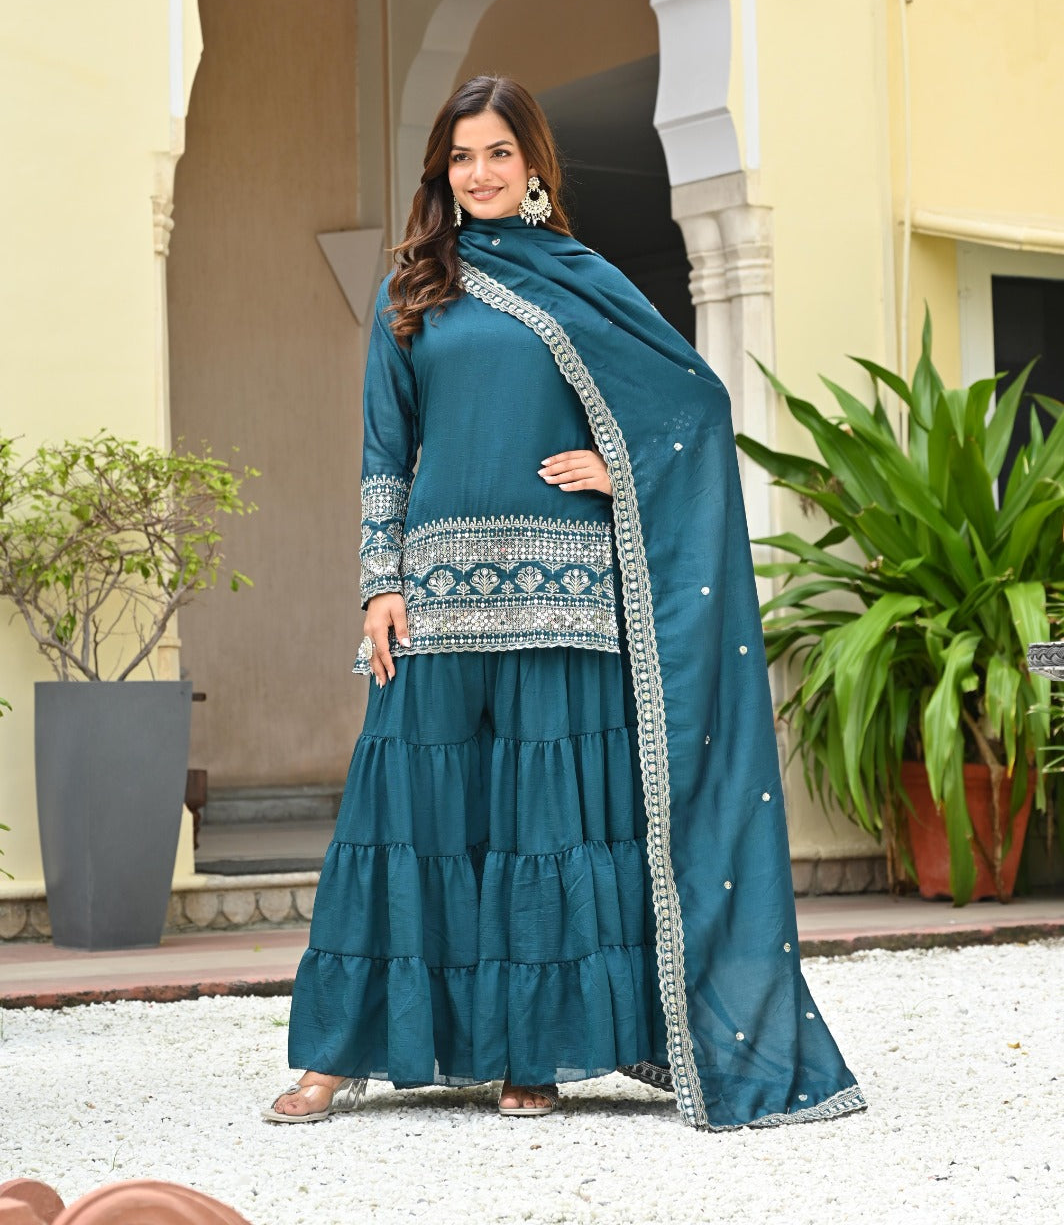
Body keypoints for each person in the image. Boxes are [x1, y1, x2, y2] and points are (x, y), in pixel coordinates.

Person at [265, 75, 867, 1130]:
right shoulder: (415, 286)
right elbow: (382, 448)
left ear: (534, 166)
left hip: (566, 599)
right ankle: (335, 1052)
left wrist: (616, 460)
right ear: (440, 173)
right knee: (403, 821)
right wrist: (378, 584)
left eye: (498, 153)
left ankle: (528, 1054)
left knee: (545, 827)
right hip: (440, 600)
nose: (480, 173)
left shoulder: (581, 280)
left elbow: (694, 404)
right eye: (461, 157)